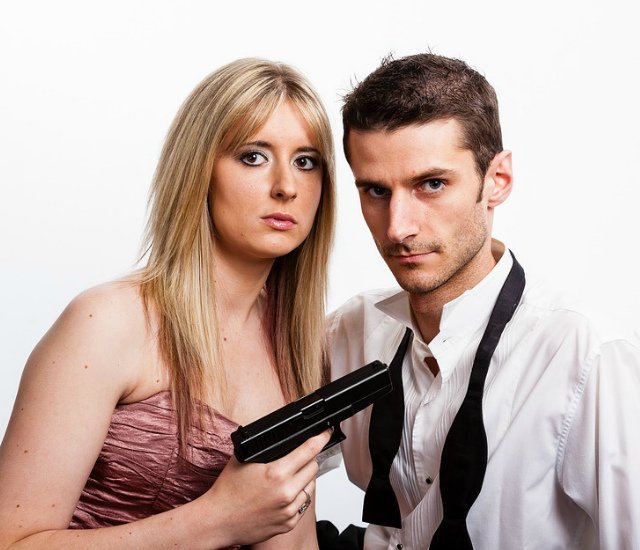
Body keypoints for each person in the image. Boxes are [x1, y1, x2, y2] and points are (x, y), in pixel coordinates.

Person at [0, 58, 335, 549]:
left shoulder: (300, 350)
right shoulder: (108, 323)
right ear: (199, 170)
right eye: (253, 156)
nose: (286, 186)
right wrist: (217, 520)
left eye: (306, 161)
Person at [327, 53, 640, 549]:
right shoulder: (348, 331)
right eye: (376, 191)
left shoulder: (586, 355)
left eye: (432, 184)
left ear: (497, 180)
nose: (398, 227)